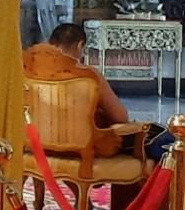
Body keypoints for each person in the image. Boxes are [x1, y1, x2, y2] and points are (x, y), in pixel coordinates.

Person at [25, 23, 171, 162]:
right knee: (163, 138)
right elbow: (120, 117)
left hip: (39, 144)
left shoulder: (30, 72)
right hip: (87, 147)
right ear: (79, 45)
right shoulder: (87, 76)